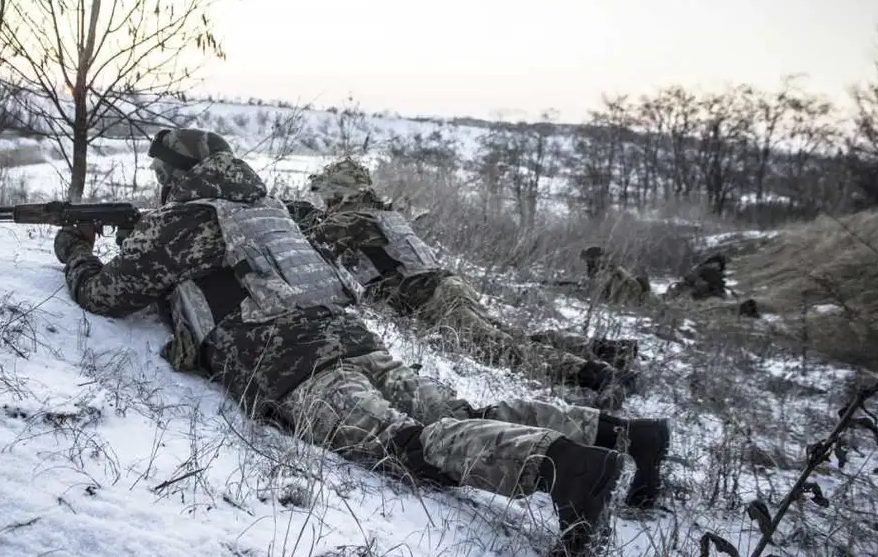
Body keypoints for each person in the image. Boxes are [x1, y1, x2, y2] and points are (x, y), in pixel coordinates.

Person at [51, 129, 670, 556]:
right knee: (459, 414)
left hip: (294, 363)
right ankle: (621, 433)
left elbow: (107, 295)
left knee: (399, 445)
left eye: (161, 176)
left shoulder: (186, 220)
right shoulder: (267, 207)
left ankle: (563, 468)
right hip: (354, 340)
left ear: (173, 175)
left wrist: (76, 251)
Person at [287, 158, 641, 403]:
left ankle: (597, 375)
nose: (326, 202)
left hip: (432, 297)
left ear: (341, 194)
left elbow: (312, 240)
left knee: (502, 349)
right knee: (510, 338)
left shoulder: (353, 218)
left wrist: (287, 214)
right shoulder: (380, 211)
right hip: (444, 287)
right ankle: (607, 350)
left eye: (328, 195)